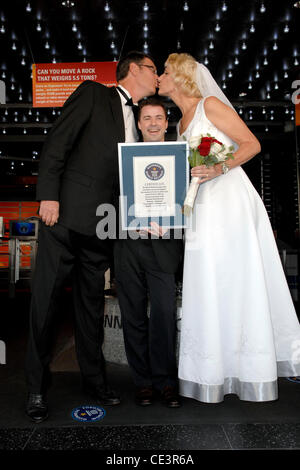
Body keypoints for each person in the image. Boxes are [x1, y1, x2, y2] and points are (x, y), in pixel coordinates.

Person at [158, 52, 300, 403]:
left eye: (164, 71)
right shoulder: (178, 123)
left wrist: (219, 168)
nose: (159, 76)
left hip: (230, 201)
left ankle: (250, 366)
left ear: (179, 76)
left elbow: (252, 144)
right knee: (208, 279)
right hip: (201, 206)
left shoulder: (209, 106)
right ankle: (214, 369)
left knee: (238, 278)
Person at [25, 51, 158, 423]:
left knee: (90, 308)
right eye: (153, 69)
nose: (158, 75)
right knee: (45, 304)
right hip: (64, 218)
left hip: (104, 227)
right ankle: (36, 387)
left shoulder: (139, 116)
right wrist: (48, 194)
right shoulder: (93, 93)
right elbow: (58, 141)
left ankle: (94, 380)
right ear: (134, 70)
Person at [114, 97, 183, 407]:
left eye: (159, 117)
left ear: (166, 123)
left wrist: (173, 225)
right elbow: (113, 196)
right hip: (128, 242)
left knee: (165, 315)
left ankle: (166, 381)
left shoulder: (180, 156)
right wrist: (128, 218)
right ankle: (142, 382)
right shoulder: (123, 156)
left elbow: (187, 201)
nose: (153, 123)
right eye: (148, 118)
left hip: (164, 244)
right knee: (133, 315)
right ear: (139, 123)